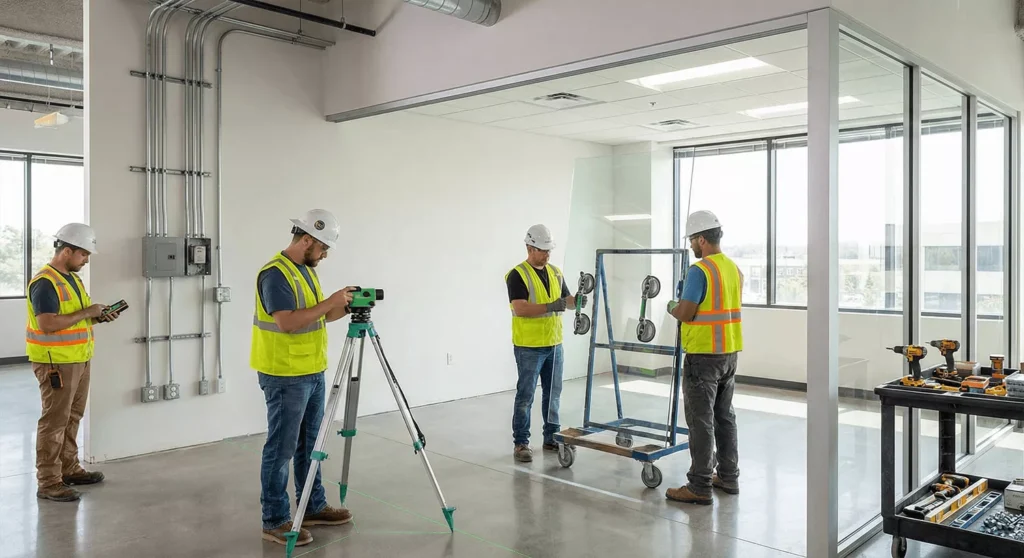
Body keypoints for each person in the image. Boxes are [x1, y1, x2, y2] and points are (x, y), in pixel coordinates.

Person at [251, 209, 357, 547]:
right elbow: (287, 323)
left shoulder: (306, 271)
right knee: (281, 449)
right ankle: (275, 519)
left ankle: (312, 506)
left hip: (312, 370)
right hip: (285, 374)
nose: (325, 254)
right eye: (323, 247)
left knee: (311, 446)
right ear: (306, 239)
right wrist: (330, 301)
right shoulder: (275, 274)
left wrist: (347, 305)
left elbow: (318, 318)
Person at [27, 223, 121, 502]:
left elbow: (73, 318)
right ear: (66, 251)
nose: (86, 260)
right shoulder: (46, 282)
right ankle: (48, 481)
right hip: (56, 363)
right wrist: (86, 312)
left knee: (72, 417)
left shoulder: (72, 278)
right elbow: (47, 324)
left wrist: (97, 316)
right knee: (54, 421)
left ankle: (68, 468)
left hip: (79, 359)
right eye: (83, 254)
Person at [665, 210, 743, 505]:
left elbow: (685, 313)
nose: (691, 247)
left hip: (702, 357)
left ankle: (699, 485)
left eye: (692, 241)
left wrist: (672, 305)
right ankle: (728, 476)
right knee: (725, 416)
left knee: (701, 421)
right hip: (729, 353)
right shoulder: (733, 269)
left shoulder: (700, 270)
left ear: (701, 239)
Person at [505, 224, 580, 463]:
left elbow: (567, 301)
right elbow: (520, 307)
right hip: (529, 346)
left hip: (555, 344)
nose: (547, 255)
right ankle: (521, 443)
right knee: (526, 395)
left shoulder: (556, 272)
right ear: (529, 248)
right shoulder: (517, 274)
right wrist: (551, 306)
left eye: (549, 250)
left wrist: (579, 300)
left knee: (553, 394)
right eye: (542, 250)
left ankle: (551, 437)